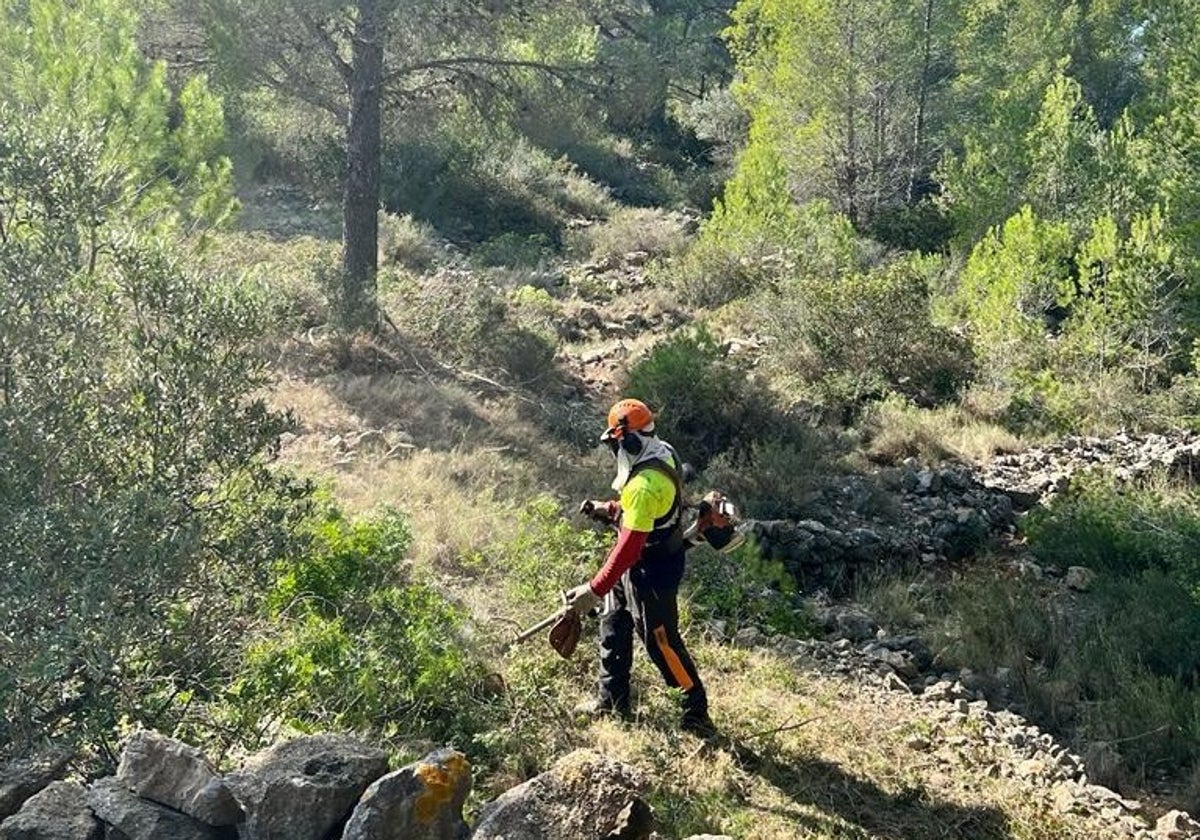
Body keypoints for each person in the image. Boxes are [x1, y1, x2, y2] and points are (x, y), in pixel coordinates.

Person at [565, 398, 714, 736]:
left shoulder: (644, 487)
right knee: (613, 621)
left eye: (616, 443)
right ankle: (611, 699)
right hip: (644, 559)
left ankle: (695, 713)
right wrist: (610, 509)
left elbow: (630, 547)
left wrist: (593, 589)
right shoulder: (663, 451)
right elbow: (645, 514)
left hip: (653, 569)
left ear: (628, 440)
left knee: (661, 642)